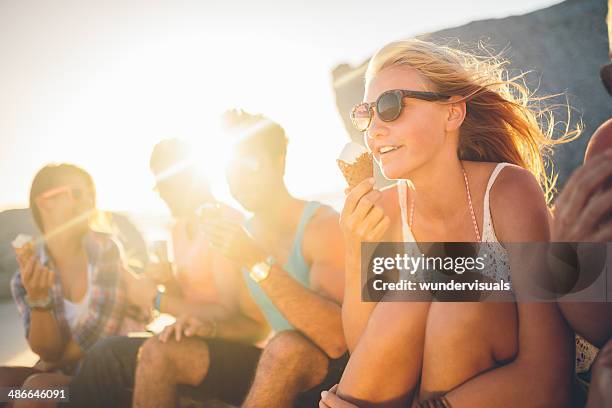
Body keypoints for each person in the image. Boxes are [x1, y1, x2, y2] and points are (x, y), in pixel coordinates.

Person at [323, 38, 578, 407]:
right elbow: (370, 359)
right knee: (410, 296)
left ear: (452, 113)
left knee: (458, 306)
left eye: (391, 106)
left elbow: (550, 377)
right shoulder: (388, 212)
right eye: (366, 114)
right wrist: (354, 252)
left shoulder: (508, 192)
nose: (373, 130)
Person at [128, 110, 347, 408]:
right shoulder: (240, 234)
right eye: (231, 169)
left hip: (334, 375)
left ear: (279, 162)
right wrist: (209, 327)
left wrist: (255, 260)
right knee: (160, 350)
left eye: (250, 165)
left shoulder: (321, 226)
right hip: (280, 365)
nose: (240, 180)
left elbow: (336, 339)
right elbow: (254, 326)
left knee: (286, 347)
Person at [66, 139, 255, 408]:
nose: (161, 194)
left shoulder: (222, 223)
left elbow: (228, 313)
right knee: (88, 366)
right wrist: (169, 283)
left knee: (106, 354)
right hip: (195, 339)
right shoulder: (180, 228)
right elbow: (191, 303)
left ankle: (56, 398)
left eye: (164, 184)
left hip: (232, 345)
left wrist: (155, 298)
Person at [0, 164, 149, 408]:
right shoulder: (23, 277)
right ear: (45, 202)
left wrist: (51, 365)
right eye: (77, 194)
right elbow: (46, 351)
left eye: (90, 195)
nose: (88, 201)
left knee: (36, 391)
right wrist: (39, 300)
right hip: (64, 386)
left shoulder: (106, 250)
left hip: (109, 383)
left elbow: (99, 331)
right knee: (3, 386)